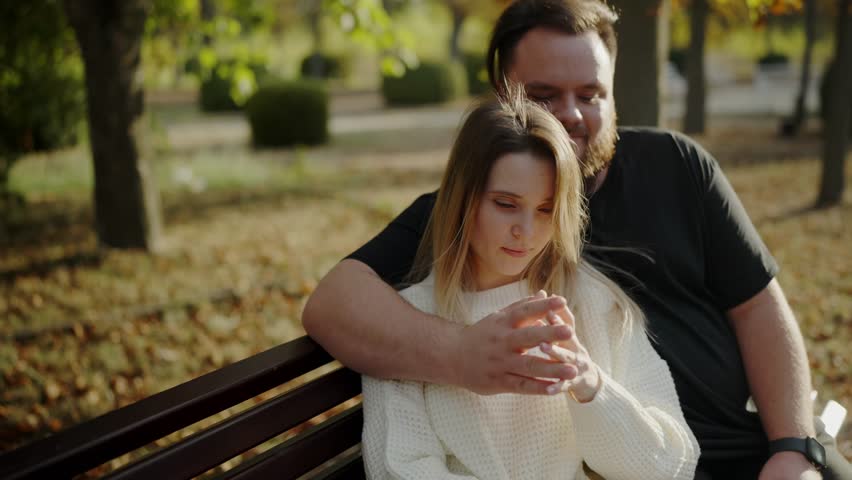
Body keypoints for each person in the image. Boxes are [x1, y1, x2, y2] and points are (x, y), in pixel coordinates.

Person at [303, 1, 852, 478]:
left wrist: (793, 448)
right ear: (505, 97)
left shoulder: (677, 166)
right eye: (545, 95)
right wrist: (461, 353)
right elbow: (333, 304)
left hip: (739, 448)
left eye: (591, 94)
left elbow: (759, 309)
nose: (571, 114)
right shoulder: (465, 216)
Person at [361, 91, 699, 480]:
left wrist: (592, 387)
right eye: (505, 204)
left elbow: (672, 465)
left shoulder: (594, 303)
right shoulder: (407, 322)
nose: (526, 231)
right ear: (463, 199)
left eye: (545, 210)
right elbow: (398, 469)